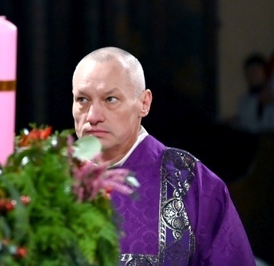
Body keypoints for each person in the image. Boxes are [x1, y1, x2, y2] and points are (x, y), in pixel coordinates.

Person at [71, 46, 255, 265]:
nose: (92, 116)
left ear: (144, 103)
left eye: (110, 99)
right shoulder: (49, 177)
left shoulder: (189, 181)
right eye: (83, 99)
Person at [235, 52, 274, 133]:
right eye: (249, 72)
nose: (253, 74)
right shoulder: (244, 101)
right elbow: (250, 127)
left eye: (256, 70)